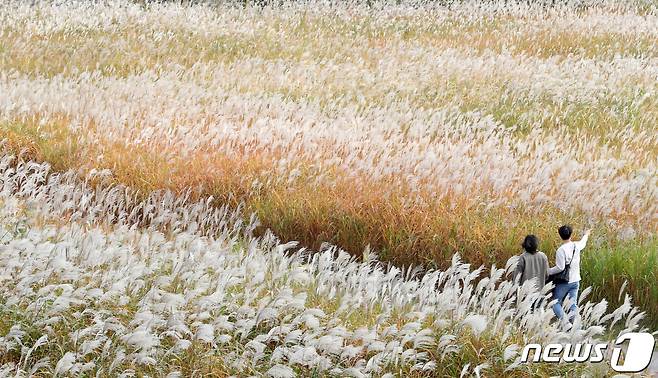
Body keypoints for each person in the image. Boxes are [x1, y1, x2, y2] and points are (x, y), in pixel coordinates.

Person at [548, 225, 591, 323]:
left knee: (556, 303)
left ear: (560, 235)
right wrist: (586, 235)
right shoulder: (576, 245)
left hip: (565, 282)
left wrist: (548, 271)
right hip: (576, 280)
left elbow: (560, 268)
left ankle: (566, 323)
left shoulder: (561, 250)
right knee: (573, 304)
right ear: (571, 234)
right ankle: (576, 326)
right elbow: (583, 242)